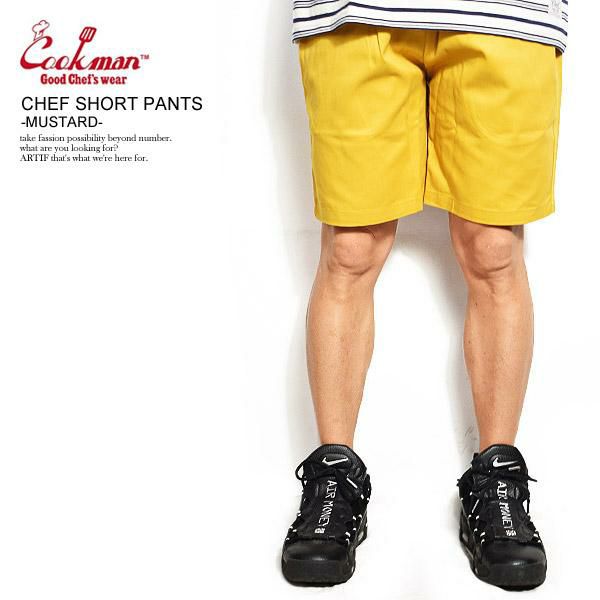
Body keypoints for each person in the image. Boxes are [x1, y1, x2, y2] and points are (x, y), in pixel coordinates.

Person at [281, 0, 567, 590]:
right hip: (355, 14)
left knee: (493, 247)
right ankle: (333, 477)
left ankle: (498, 480)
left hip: (505, 15)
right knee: (351, 247)